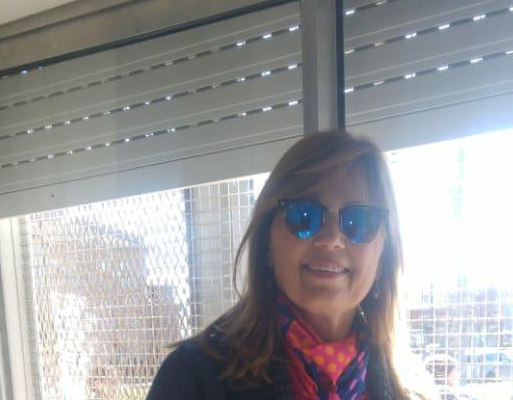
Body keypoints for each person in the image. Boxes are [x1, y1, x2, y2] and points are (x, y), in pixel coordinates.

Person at [147, 130, 427, 400]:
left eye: (359, 221)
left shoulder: (410, 391)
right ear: (268, 243)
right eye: (303, 215)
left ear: (382, 259)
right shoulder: (191, 378)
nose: (330, 239)